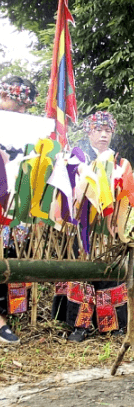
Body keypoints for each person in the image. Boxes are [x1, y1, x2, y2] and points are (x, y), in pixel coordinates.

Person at [52, 111, 130, 342]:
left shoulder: (119, 162)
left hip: (109, 227)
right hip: (83, 226)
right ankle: (80, 325)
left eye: (108, 131)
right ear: (89, 132)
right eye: (99, 130)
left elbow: (125, 195)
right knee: (82, 271)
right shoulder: (78, 158)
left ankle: (111, 323)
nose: (104, 135)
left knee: (110, 270)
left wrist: (120, 220)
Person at [0, 76, 37, 344]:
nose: (23, 111)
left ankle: (6, 315)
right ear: (4, 97)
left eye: (27, 106)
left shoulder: (24, 132)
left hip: (15, 203)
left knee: (10, 257)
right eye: (19, 104)